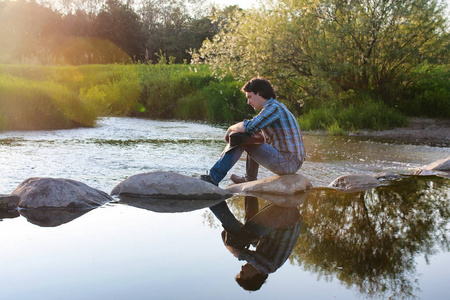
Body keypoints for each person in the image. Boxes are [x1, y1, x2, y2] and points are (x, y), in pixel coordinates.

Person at [200, 77, 306, 186]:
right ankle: (249, 178)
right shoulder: (274, 107)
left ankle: (213, 179)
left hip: (288, 162)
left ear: (260, 93)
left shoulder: (274, 108)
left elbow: (249, 126)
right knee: (251, 137)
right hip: (289, 161)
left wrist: (230, 128)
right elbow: (252, 130)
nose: (248, 102)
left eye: (250, 97)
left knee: (241, 137)